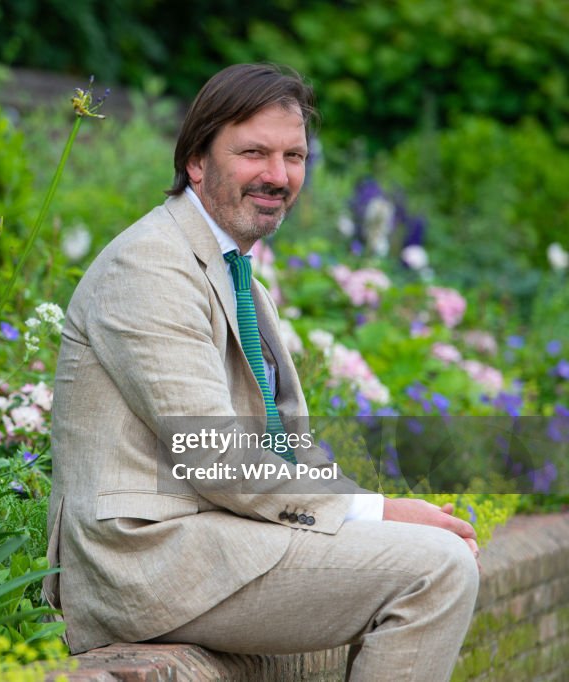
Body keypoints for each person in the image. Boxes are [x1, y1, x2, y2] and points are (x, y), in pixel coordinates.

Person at [43, 63, 480, 681]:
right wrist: (376, 512)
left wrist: (377, 509)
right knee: (436, 569)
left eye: (293, 156)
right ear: (197, 161)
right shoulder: (149, 267)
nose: (278, 176)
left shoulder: (231, 269)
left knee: (438, 552)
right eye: (253, 153)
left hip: (211, 537)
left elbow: (280, 450)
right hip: (147, 561)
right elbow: (218, 457)